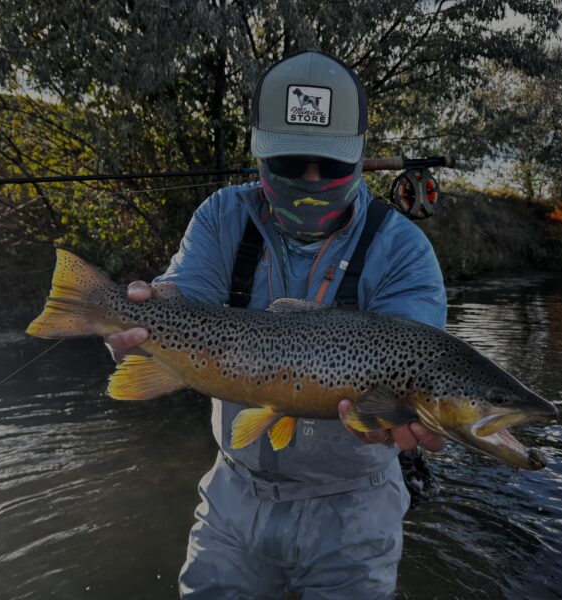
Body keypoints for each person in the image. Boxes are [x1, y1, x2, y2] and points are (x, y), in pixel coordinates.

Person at [106, 50, 447, 599]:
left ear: (359, 159)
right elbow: (181, 298)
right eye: (290, 163)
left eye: (330, 165)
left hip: (355, 508)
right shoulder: (222, 216)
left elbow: (415, 358)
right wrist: (140, 325)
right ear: (261, 155)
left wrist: (407, 415)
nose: (311, 179)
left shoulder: (404, 250)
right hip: (234, 496)